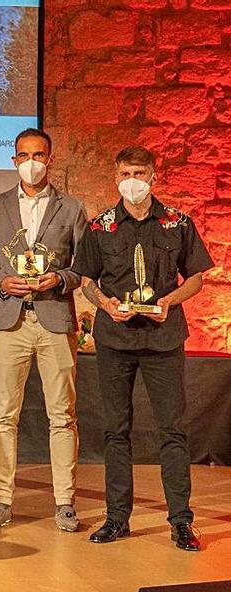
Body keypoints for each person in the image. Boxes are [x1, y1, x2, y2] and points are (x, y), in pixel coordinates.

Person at [74, 146, 210, 552]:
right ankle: (117, 518)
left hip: (164, 339)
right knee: (116, 430)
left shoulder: (177, 222)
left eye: (139, 172)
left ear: (154, 176)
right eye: (125, 173)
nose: (132, 180)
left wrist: (169, 302)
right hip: (115, 340)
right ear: (115, 177)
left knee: (172, 431)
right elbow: (86, 281)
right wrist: (104, 304)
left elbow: (197, 278)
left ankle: (181, 522)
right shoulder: (100, 226)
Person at [0, 128, 89, 532]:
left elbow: (82, 267)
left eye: (38, 155)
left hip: (55, 320)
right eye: (24, 155)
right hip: (10, 320)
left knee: (62, 415)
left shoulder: (72, 208)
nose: (31, 162)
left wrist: (57, 279)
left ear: (50, 159)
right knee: (4, 415)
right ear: (13, 160)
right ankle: (2, 499)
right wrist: (1, 282)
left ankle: (64, 502)